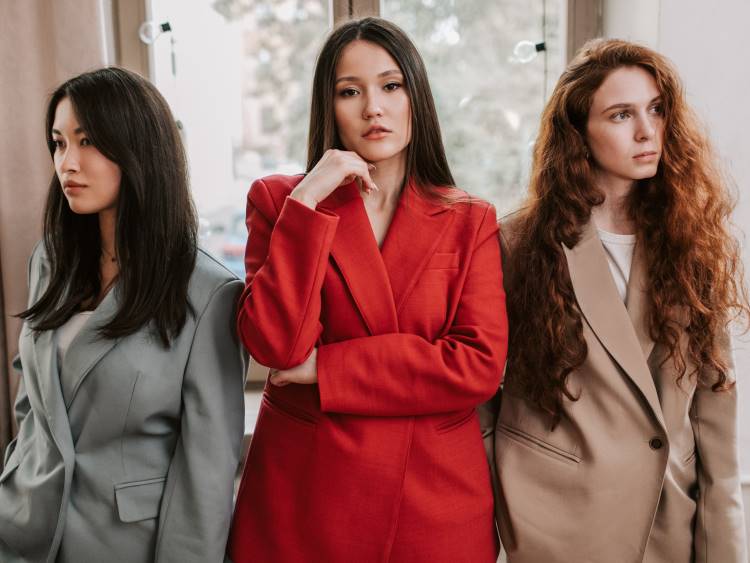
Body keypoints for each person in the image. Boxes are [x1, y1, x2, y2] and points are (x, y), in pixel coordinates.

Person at [228, 17, 508, 563]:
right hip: (306, 499)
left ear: (415, 97)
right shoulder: (281, 200)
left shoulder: (469, 218)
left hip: (431, 502)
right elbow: (276, 347)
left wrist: (324, 370)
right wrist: (307, 202)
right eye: (349, 92)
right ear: (327, 107)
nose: (372, 108)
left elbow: (477, 364)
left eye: (390, 85)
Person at [480, 39, 749, 563]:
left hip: (668, 521)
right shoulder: (516, 244)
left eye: (656, 109)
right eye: (621, 114)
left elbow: (717, 417)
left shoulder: (695, 243)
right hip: (555, 523)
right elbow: (479, 389)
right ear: (578, 133)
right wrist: (507, 489)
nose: (647, 132)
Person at [0, 67, 246, 563]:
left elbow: (206, 471)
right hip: (23, 531)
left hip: (127, 546)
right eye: (58, 142)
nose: (67, 162)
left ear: (138, 149)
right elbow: (32, 399)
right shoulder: (49, 260)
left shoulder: (209, 293)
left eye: (87, 140)